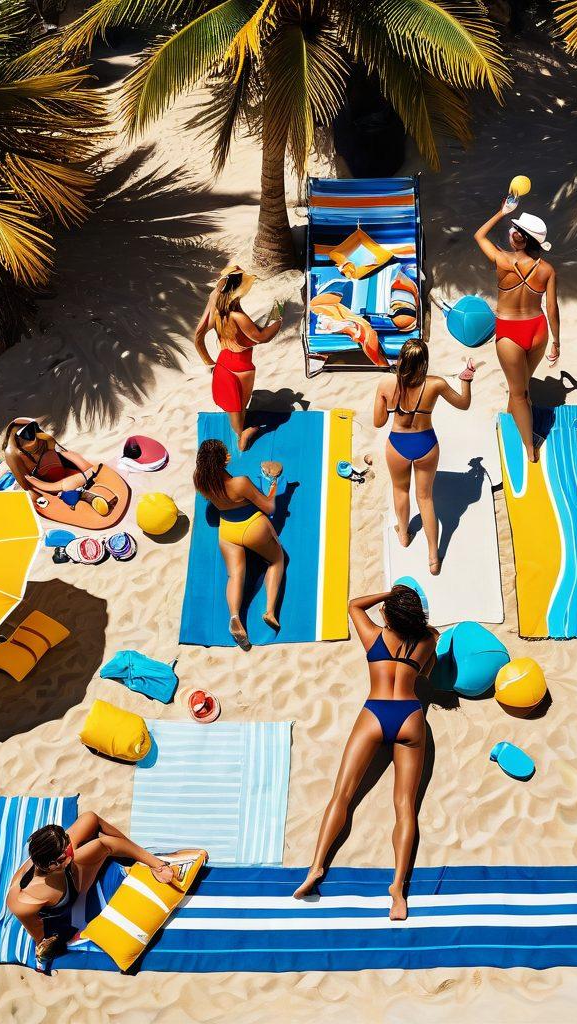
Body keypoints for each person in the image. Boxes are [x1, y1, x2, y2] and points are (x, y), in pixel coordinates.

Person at [293, 586, 437, 920]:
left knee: (342, 796)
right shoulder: (429, 639)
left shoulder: (372, 634)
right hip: (410, 718)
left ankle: (316, 868)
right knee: (405, 807)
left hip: (375, 715)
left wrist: (388, 594)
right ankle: (398, 890)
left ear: (388, 613)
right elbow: (426, 674)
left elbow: (353, 604)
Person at [5, 812, 175, 963]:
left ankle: (133, 849)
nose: (71, 846)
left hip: (66, 875)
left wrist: (156, 864)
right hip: (67, 894)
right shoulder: (24, 901)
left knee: (90, 819)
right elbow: (39, 936)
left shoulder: (62, 857)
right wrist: (46, 944)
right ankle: (128, 852)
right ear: (53, 864)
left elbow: (77, 843)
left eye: (67, 842)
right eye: (67, 849)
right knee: (103, 845)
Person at [373, 338, 477, 575]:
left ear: (401, 360)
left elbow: (378, 422)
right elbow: (464, 404)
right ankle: (433, 556)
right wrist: (466, 380)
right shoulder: (436, 384)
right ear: (424, 363)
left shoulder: (387, 384)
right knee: (426, 498)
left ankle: (403, 535)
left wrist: (384, 400)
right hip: (426, 443)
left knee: (400, 491)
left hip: (398, 444)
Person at [474, 201, 560, 462]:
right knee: (521, 386)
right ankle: (513, 418)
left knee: (519, 393)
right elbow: (552, 308)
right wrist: (557, 341)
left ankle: (530, 450)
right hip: (537, 328)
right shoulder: (546, 269)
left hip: (510, 330)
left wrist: (502, 212)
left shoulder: (502, 260)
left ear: (516, 237)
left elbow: (478, 235)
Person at [193, 438, 284, 648]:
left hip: (228, 531)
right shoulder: (240, 483)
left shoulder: (200, 480)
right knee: (276, 560)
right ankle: (270, 610)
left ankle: (234, 617)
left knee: (235, 575)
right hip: (252, 528)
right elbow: (269, 508)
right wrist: (273, 486)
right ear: (226, 459)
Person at [194, 264, 283, 452]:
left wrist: (209, 362)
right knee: (241, 406)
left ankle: (240, 432)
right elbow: (262, 337)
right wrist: (279, 319)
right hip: (242, 368)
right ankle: (242, 436)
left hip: (223, 364)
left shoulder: (218, 312)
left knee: (232, 406)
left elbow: (198, 335)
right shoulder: (238, 316)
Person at [3, 418, 113, 514]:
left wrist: (86, 466)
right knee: (70, 486)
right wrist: (35, 493)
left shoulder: (43, 438)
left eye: (34, 428)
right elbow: (26, 480)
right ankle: (79, 495)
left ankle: (78, 492)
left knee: (80, 472)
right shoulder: (12, 453)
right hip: (45, 479)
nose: (35, 435)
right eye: (28, 432)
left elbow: (61, 451)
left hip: (58, 468)